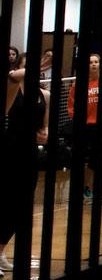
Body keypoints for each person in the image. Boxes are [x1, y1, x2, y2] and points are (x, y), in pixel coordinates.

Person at [3, 50, 52, 272]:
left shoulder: (44, 95)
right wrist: (17, 75)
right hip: (8, 152)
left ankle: (0, 251)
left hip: (30, 154)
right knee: (6, 203)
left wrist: (46, 133)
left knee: (21, 205)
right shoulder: (12, 88)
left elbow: (46, 125)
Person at [67, 52, 102, 201]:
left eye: (96, 62)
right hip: (82, 127)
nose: (94, 64)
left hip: (99, 126)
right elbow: (71, 106)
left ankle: (84, 187)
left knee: (94, 161)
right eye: (90, 62)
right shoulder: (78, 85)